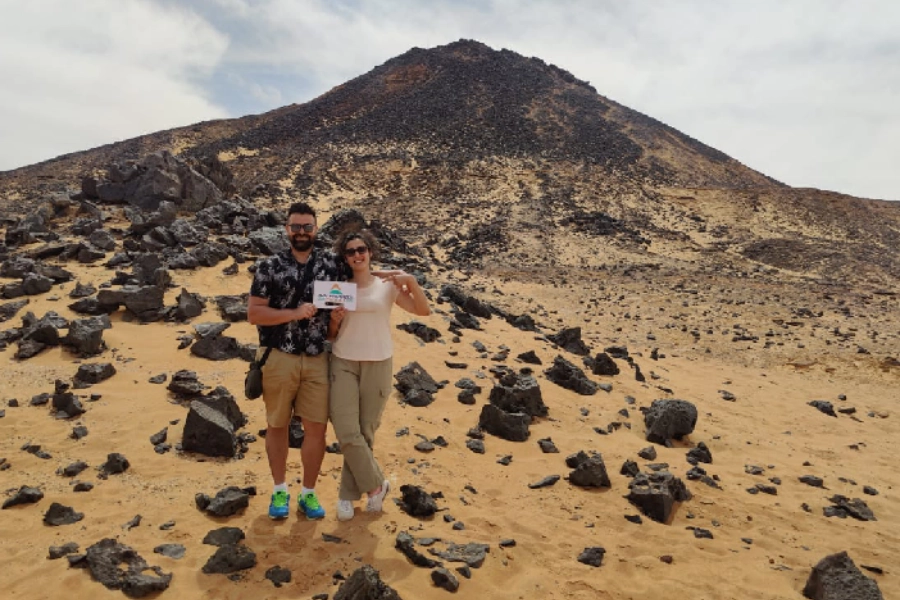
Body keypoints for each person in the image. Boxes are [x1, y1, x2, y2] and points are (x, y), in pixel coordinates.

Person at [248, 201, 344, 520]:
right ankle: (279, 490)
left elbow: (357, 282)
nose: (302, 232)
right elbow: (254, 313)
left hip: (317, 358)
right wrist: (294, 313)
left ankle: (308, 494)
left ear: (316, 229)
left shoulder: (333, 265)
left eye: (308, 227)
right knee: (276, 425)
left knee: (316, 428)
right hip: (279, 357)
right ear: (286, 229)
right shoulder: (269, 266)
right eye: (296, 227)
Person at [327, 229, 431, 521]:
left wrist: (410, 281)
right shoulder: (339, 287)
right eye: (350, 252)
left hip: (379, 362)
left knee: (365, 432)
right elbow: (331, 334)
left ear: (370, 251)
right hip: (343, 361)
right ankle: (376, 486)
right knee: (347, 431)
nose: (357, 255)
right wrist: (334, 321)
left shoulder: (388, 286)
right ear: (344, 258)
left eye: (361, 249)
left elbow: (423, 310)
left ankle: (347, 496)